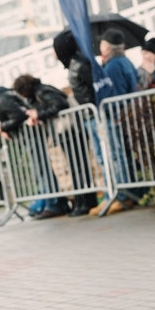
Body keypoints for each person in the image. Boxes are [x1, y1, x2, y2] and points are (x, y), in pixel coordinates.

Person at [96, 28, 145, 214]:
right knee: (125, 156)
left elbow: (115, 94)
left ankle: (125, 194)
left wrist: (114, 114)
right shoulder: (124, 61)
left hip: (119, 117)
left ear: (107, 47)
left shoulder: (113, 66)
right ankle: (131, 192)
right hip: (128, 114)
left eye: (101, 43)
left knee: (119, 156)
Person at [52, 31, 100, 216]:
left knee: (100, 158)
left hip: (91, 115)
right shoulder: (73, 66)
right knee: (95, 158)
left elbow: (92, 87)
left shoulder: (79, 65)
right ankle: (87, 201)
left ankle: (100, 198)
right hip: (86, 117)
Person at [11, 74, 73, 219]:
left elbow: (59, 105)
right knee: (67, 168)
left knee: (71, 168)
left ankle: (71, 203)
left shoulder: (42, 92)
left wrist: (38, 115)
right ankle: (73, 202)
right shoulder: (39, 92)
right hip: (58, 133)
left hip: (65, 131)